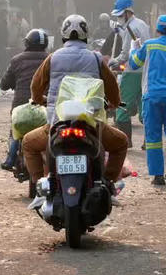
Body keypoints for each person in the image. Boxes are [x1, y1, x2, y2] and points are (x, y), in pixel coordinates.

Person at [22, 15, 129, 191]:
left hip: (56, 123)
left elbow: (36, 85)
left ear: (63, 34)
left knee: (28, 143)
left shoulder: (53, 57)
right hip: (92, 124)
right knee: (121, 142)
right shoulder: (96, 59)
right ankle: (108, 184)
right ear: (86, 34)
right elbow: (112, 87)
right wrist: (114, 103)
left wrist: (38, 99)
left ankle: (41, 184)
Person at [131, 15, 166, 186]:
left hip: (152, 97)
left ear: (157, 29)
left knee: (153, 137)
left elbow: (134, 64)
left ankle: (158, 177)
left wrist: (134, 48)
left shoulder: (148, 45)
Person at [0, 28, 50, 173]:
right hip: (44, 104)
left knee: (15, 131)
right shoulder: (51, 59)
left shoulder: (16, 60)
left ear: (26, 43)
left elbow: (4, 84)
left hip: (20, 105)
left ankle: (10, 159)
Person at [107, 0, 150, 141]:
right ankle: (148, 141)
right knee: (144, 107)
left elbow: (125, 54)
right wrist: (121, 31)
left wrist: (114, 61)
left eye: (120, 15)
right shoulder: (142, 24)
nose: (119, 18)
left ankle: (126, 142)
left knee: (123, 108)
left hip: (132, 71)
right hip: (145, 71)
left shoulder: (131, 27)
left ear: (127, 12)